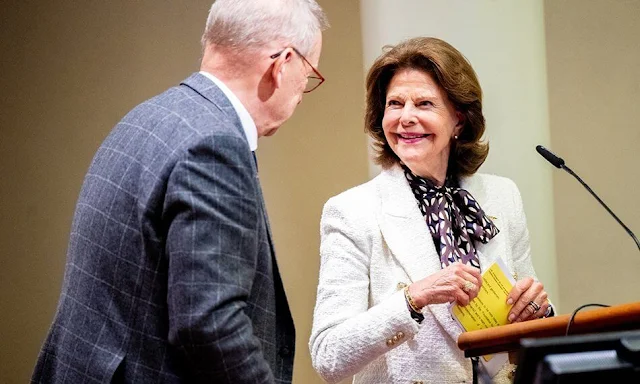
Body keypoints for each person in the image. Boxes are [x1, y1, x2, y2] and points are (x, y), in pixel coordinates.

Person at [31, 0, 328, 382]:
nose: (303, 91)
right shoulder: (214, 145)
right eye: (309, 73)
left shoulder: (149, 117)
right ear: (283, 63)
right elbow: (210, 324)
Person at [309, 37, 553, 384]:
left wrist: (538, 311)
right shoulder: (351, 211)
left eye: (423, 103)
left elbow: (529, 324)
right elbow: (329, 355)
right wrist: (412, 299)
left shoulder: (502, 196)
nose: (406, 118)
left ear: (459, 120)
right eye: (395, 104)